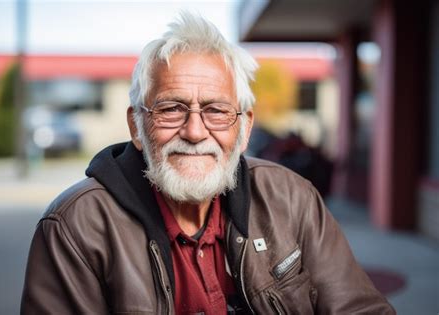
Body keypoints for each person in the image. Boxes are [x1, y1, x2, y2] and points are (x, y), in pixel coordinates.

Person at [21, 12, 395, 315]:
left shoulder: (292, 199)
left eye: (216, 110)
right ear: (137, 126)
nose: (196, 131)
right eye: (171, 108)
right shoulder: (76, 226)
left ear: (245, 127)